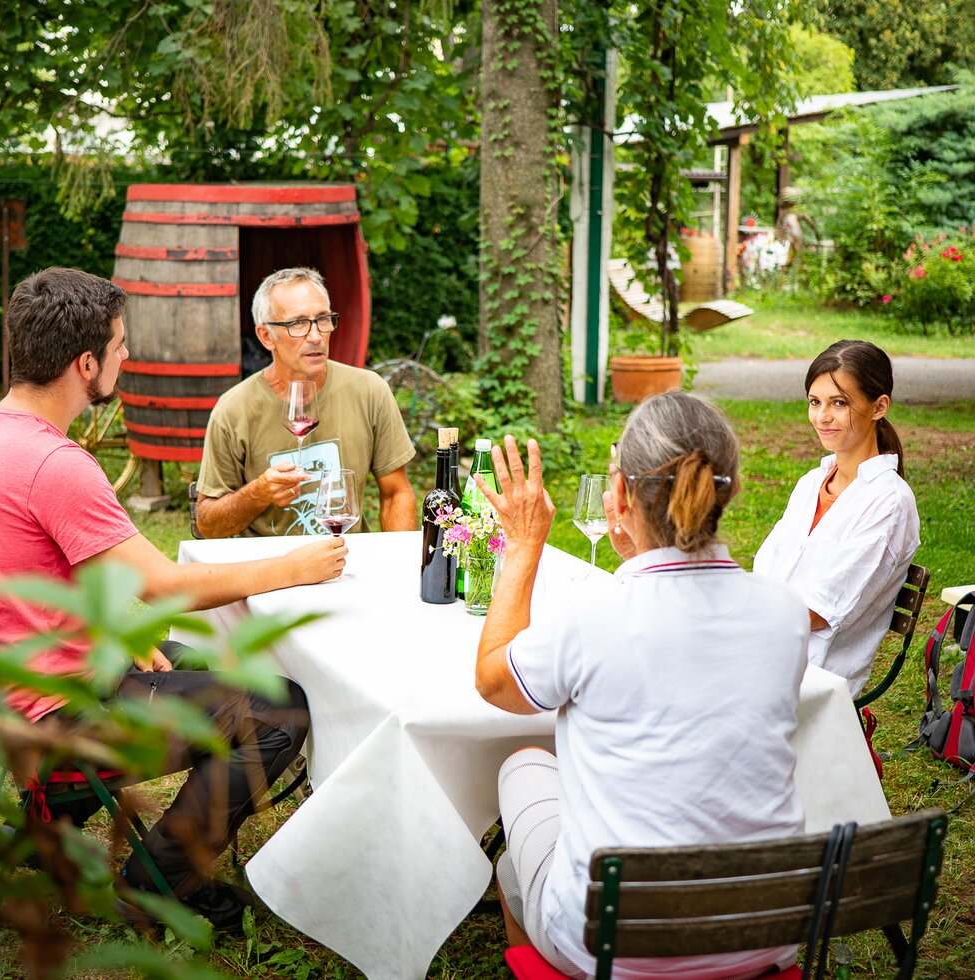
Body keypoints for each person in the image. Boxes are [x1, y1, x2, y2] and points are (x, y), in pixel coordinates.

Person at [0, 267, 346, 931]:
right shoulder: (55, 464)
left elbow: (19, 581)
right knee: (278, 711)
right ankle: (149, 886)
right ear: (85, 362)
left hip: (9, 687)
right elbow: (159, 583)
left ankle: (53, 830)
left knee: (212, 667)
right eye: (121, 344)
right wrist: (291, 568)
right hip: (57, 717)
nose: (128, 356)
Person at [473, 393, 809, 978]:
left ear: (621, 498)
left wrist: (524, 545)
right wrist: (643, 554)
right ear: (727, 491)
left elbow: (494, 681)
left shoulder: (595, 615)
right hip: (765, 936)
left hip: (615, 949)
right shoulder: (785, 612)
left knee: (522, 766)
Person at [753, 340, 920, 698]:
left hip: (809, 676)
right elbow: (764, 573)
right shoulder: (812, 482)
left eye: (839, 403)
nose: (822, 416)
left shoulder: (888, 503)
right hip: (765, 649)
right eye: (815, 402)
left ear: (879, 407)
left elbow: (820, 611)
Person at [196, 267, 417, 537]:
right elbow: (208, 525)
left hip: (348, 563)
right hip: (269, 573)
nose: (315, 336)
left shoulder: (370, 390)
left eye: (323, 319)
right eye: (297, 323)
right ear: (267, 336)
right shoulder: (233, 410)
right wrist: (258, 493)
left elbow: (396, 493)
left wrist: (404, 568)